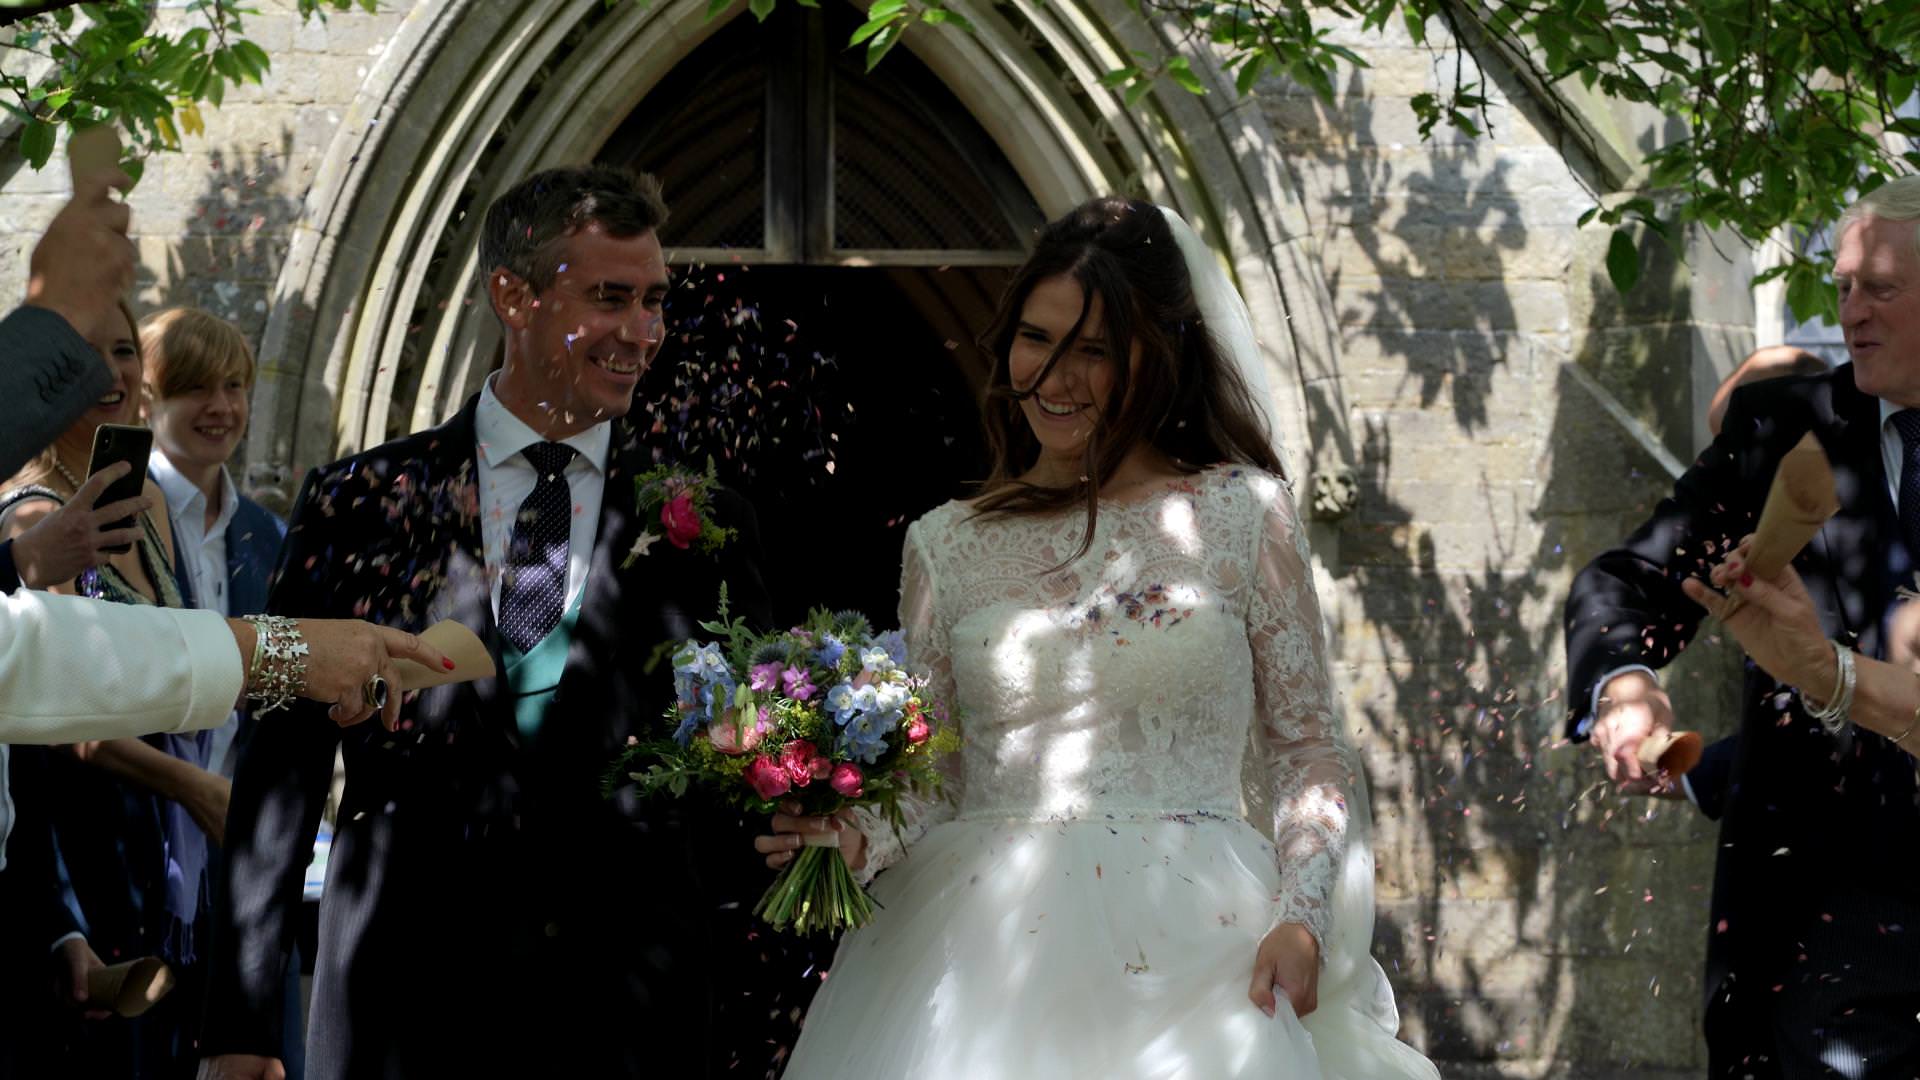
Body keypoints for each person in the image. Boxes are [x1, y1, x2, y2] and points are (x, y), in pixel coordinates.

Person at [762, 197, 1438, 1078]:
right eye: (1036, 339)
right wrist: (857, 838)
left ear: (1157, 356)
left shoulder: (1244, 517)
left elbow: (1307, 747)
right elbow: (939, 779)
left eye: (1094, 350)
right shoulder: (944, 544)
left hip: (1204, 944)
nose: (1055, 377)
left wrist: (1303, 919)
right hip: (981, 953)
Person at [199, 164, 788, 1080]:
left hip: (630, 1016)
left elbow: (741, 778)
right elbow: (281, 768)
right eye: (610, 298)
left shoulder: (708, 523)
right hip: (405, 998)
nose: (643, 332)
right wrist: (238, 1027)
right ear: (513, 296)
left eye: (654, 302)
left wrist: (813, 815)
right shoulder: (362, 501)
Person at [1566, 175, 1920, 1077]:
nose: (1851, 313)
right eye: (1842, 287)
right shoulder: (1783, 432)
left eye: (1880, 288)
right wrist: (1625, 683)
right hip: (1827, 910)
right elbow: (1633, 578)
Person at [0, 297, 237, 1078]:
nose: (111, 371)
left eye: (125, 350)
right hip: (83, 845)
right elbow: (72, 713)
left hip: (164, 849)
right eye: (86, 353)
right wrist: (198, 790)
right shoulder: (30, 519)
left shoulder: (152, 504)